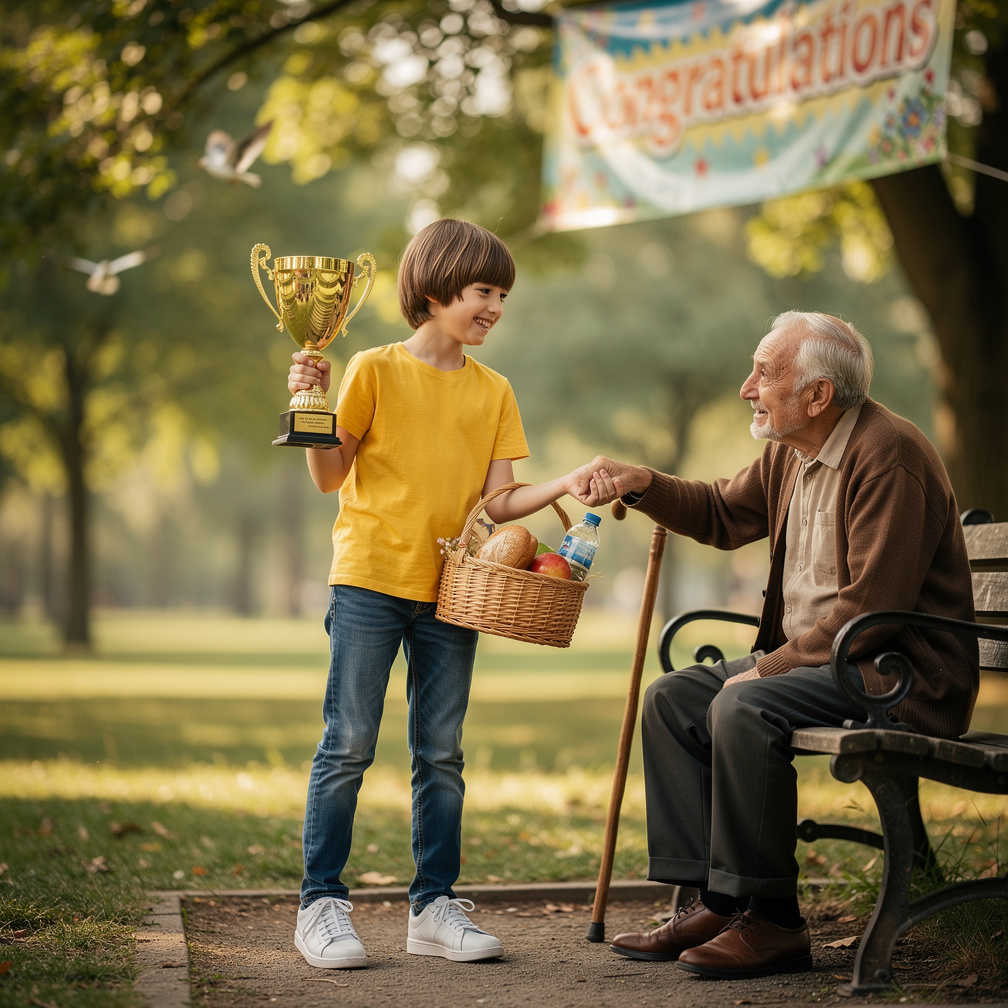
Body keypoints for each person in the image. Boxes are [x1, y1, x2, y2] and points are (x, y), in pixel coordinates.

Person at [568, 311, 978, 980]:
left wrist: (769, 667)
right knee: (673, 699)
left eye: (764, 372)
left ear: (817, 395)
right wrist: (641, 481)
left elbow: (872, 610)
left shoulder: (889, 454)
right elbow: (723, 512)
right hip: (830, 662)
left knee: (743, 705)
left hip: (898, 674)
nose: (747, 387)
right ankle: (718, 901)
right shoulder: (791, 452)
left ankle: (775, 921)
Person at [289, 218, 598, 971]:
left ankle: (433, 906)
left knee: (442, 753)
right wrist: (308, 403)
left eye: (503, 296)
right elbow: (330, 477)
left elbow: (500, 503)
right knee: (348, 744)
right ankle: (320, 905)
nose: (495, 307)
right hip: (369, 579)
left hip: (453, 592)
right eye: (483, 291)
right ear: (435, 291)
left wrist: (563, 483)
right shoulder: (373, 369)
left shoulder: (494, 391)